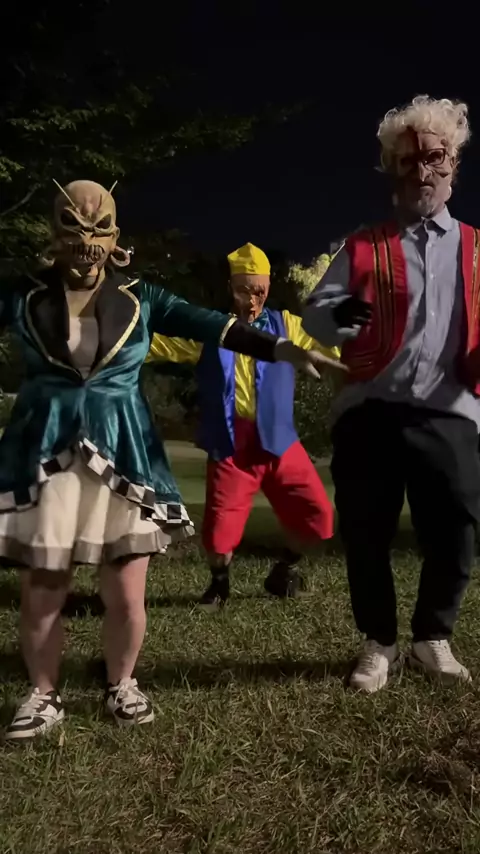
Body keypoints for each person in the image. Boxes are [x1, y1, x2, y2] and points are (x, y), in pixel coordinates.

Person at [1, 182, 332, 740]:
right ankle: (42, 693)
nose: (87, 239)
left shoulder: (143, 297)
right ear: (54, 229)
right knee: (44, 588)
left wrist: (278, 347)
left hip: (124, 452)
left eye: (99, 226)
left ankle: (122, 683)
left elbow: (210, 324)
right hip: (45, 453)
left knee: (126, 591)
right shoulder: (21, 295)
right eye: (74, 224)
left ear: (116, 235)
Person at [302, 95, 480, 693]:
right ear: (392, 168)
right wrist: (339, 315)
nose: (423, 170)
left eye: (435, 157)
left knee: (456, 526)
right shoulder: (363, 245)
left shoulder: (477, 249)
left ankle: (432, 637)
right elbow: (318, 311)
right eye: (409, 160)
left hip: (450, 410)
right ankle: (379, 642)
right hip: (371, 408)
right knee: (366, 529)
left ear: (454, 164)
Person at [148, 242, 343, 606]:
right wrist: (110, 343)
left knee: (318, 516)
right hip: (231, 444)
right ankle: (219, 585)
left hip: (281, 442)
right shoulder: (210, 330)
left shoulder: (287, 325)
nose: (252, 300)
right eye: (243, 290)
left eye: (259, 291)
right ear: (230, 287)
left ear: (268, 289)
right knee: (220, 532)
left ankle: (284, 571)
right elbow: (157, 344)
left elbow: (332, 342)